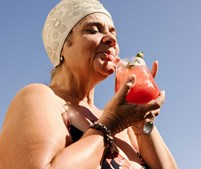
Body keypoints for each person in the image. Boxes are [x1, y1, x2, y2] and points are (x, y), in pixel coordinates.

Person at [0, 0, 178, 168]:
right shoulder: (39, 97)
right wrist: (110, 124)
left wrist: (142, 122)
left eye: (113, 32)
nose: (111, 39)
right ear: (62, 47)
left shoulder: (127, 123)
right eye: (93, 30)